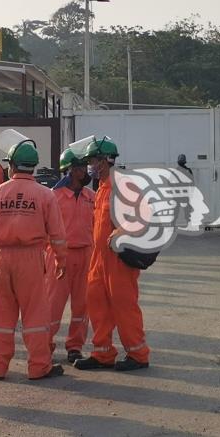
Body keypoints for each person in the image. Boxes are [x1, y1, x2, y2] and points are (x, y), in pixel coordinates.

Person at [0, 138, 67, 380]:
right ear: (33, 166)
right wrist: (60, 261)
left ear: (12, 166)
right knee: (35, 316)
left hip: (2, 257)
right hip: (30, 258)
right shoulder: (45, 194)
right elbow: (58, 234)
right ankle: (39, 366)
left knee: (0, 316)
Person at [74, 137, 151, 371]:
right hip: (99, 258)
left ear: (107, 160)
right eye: (90, 161)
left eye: (94, 160)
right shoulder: (102, 188)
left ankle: (138, 354)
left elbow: (143, 217)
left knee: (124, 306)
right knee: (97, 303)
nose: (91, 166)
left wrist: (121, 231)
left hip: (118, 259)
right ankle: (102, 353)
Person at [46, 148, 95, 364]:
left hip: (86, 254)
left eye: (84, 167)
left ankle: (75, 346)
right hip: (59, 257)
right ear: (70, 171)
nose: (84, 172)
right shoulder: (53, 198)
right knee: (52, 305)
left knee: (82, 306)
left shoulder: (90, 197)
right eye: (80, 168)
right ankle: (44, 344)